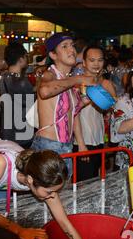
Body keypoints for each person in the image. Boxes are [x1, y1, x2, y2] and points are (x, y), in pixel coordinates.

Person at [31, 32, 96, 179]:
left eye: (72, 45)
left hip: (66, 146)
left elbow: (72, 114)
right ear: (53, 55)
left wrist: (81, 144)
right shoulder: (50, 74)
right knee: (51, 193)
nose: (71, 50)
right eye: (64, 46)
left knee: (63, 192)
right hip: (49, 146)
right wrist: (77, 79)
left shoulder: (67, 80)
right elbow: (45, 91)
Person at [73, 46, 116, 181]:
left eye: (100, 60)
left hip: (99, 140)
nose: (96, 64)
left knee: (96, 182)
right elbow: (73, 113)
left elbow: (115, 110)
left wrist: (109, 108)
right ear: (84, 62)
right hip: (81, 141)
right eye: (92, 60)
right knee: (82, 185)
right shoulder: (76, 83)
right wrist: (81, 144)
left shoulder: (105, 83)